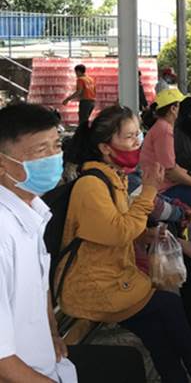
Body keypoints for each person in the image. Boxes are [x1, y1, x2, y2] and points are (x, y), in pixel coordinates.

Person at [60, 105, 191, 383]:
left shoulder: (112, 178)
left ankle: (180, 375)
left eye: (138, 136)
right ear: (106, 148)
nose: (138, 143)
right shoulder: (91, 186)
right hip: (96, 285)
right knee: (166, 305)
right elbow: (118, 232)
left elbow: (117, 226)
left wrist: (146, 235)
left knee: (157, 332)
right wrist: (149, 191)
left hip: (115, 275)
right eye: (130, 138)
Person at [0, 103, 146, 383]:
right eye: (41, 151)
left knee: (128, 363)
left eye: (56, 146)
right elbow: (4, 364)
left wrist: (52, 332)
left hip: (47, 359)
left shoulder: (32, 214)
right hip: (27, 372)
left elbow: (39, 286)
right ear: (2, 163)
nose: (54, 157)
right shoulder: (4, 235)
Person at [139, 89, 191, 347]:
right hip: (164, 193)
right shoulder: (164, 129)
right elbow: (171, 171)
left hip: (158, 194)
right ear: (174, 108)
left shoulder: (160, 128)